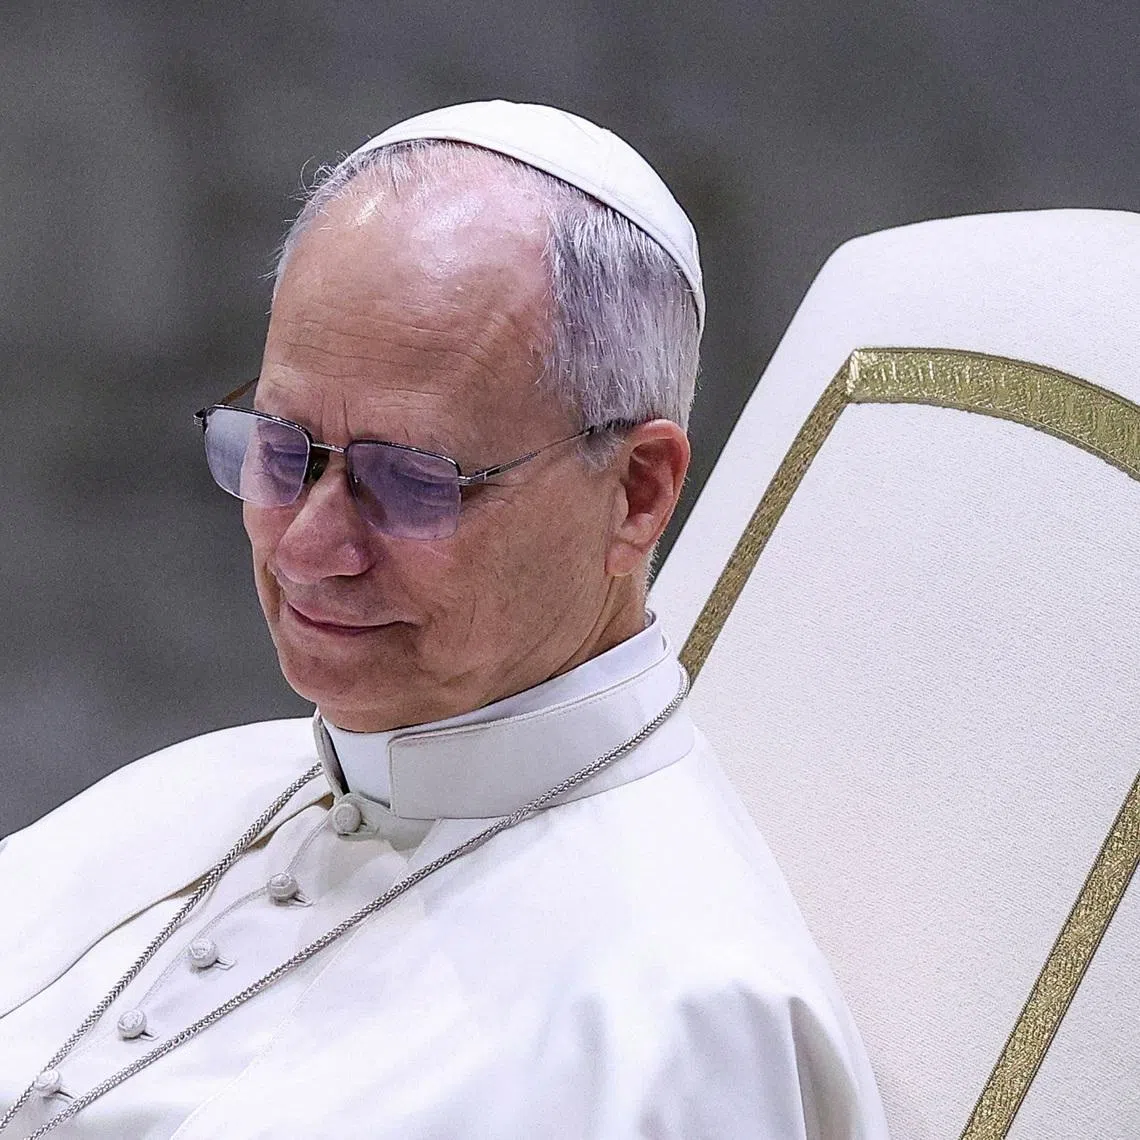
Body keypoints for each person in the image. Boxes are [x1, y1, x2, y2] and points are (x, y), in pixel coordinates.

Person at [0, 101, 887, 1138]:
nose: (307, 548)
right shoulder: (179, 796)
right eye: (282, 449)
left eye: (411, 480)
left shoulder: (676, 1025)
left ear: (637, 491)